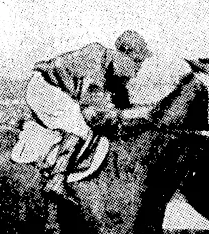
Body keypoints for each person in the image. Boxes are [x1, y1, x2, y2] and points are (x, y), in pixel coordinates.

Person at [26, 29, 152, 194]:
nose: (138, 69)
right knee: (80, 124)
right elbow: (92, 114)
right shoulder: (95, 61)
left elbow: (123, 108)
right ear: (123, 55)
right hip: (44, 87)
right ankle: (56, 179)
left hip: (64, 91)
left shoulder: (115, 74)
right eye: (137, 61)